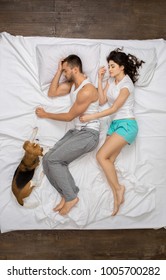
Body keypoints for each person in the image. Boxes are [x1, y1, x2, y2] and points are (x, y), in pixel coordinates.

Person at [80, 48, 144, 216]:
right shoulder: (111, 79)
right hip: (115, 125)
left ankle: (119, 189)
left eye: (113, 66)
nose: (110, 69)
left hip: (127, 125)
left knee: (101, 156)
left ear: (122, 67)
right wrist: (101, 79)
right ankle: (117, 196)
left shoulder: (126, 85)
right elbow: (102, 100)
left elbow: (114, 108)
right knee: (108, 161)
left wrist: (91, 116)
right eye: (109, 66)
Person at [35, 54, 100, 215]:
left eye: (65, 71)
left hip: (88, 134)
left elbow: (70, 116)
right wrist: (58, 70)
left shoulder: (87, 90)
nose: (64, 74)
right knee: (47, 159)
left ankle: (71, 197)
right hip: (77, 132)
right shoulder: (73, 86)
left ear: (75, 69)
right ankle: (65, 194)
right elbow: (52, 92)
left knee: (55, 161)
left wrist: (46, 114)